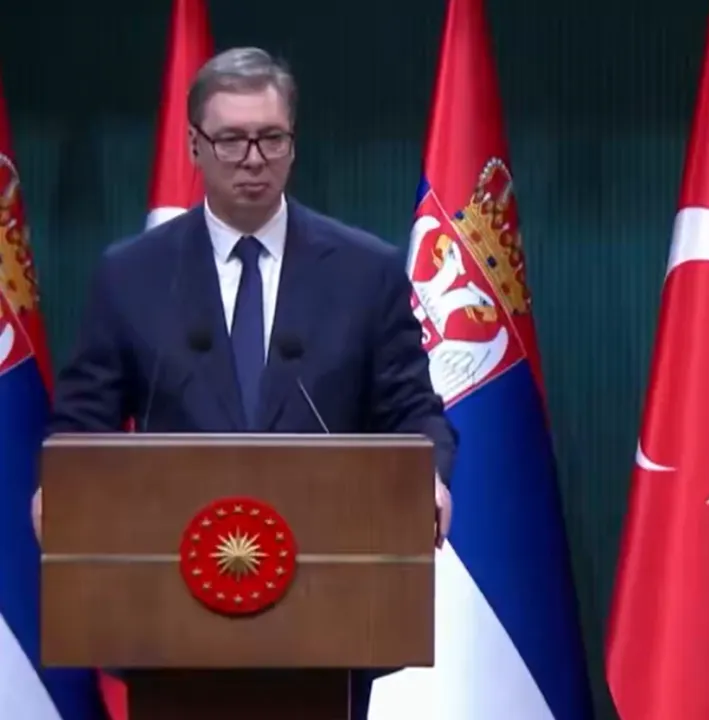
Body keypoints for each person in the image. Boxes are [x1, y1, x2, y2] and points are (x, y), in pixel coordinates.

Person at [29, 46, 457, 714]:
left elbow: (413, 410)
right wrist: (61, 485)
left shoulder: (363, 272)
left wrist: (426, 477)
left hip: (329, 618)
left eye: (270, 138)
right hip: (168, 621)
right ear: (195, 147)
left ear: (293, 143)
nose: (253, 159)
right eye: (231, 140)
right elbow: (82, 423)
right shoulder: (132, 275)